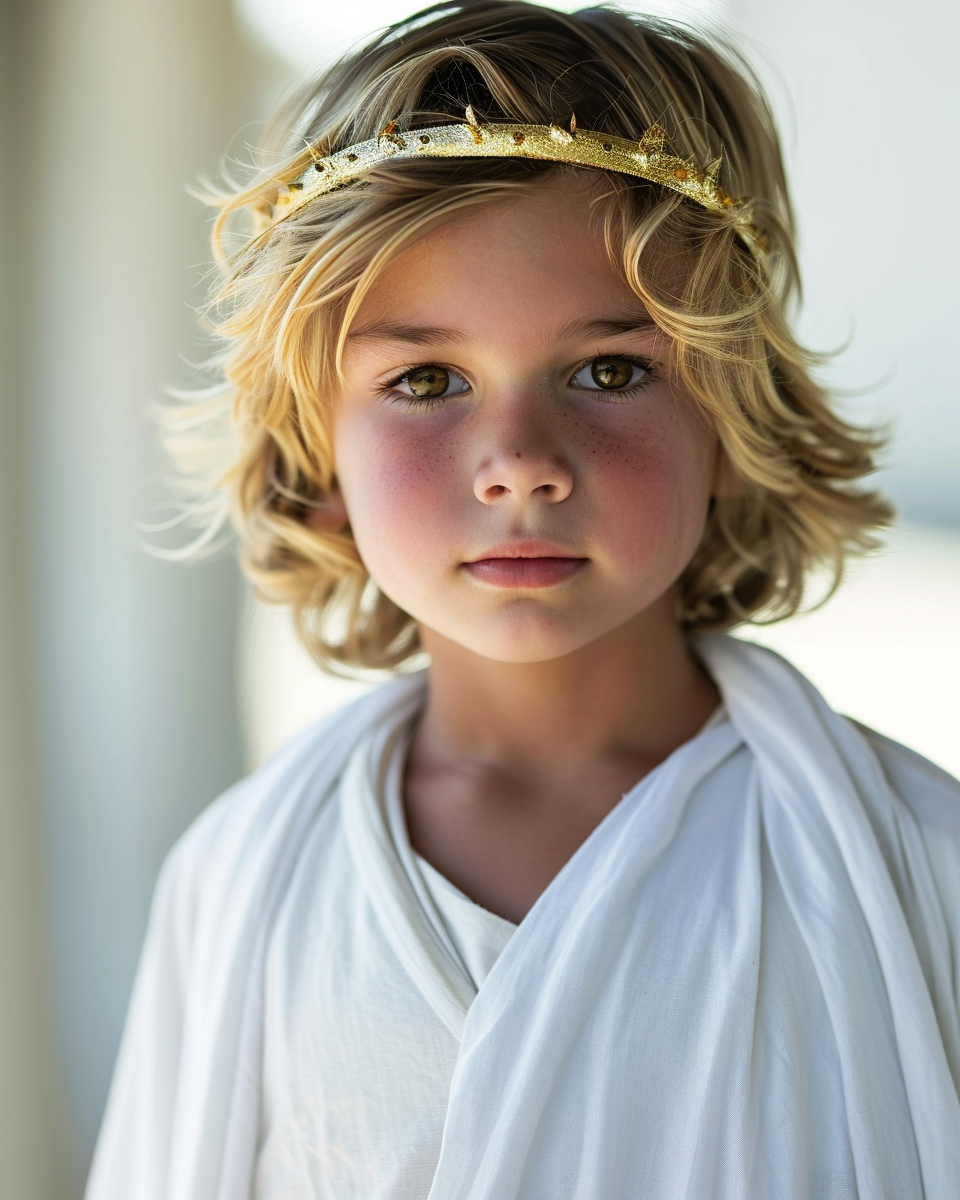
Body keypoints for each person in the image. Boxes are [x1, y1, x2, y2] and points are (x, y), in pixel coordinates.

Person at [87, 2, 960, 1197]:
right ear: (315, 447)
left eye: (610, 370)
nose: (521, 460)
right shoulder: (242, 879)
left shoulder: (920, 866)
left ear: (730, 416)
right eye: (428, 378)